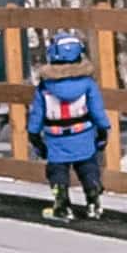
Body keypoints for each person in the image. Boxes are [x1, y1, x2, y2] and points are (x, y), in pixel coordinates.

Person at [28, 31, 110, 221]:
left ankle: (62, 204)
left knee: (57, 170)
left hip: (56, 136)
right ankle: (93, 198)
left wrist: (33, 134)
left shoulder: (45, 86)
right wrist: (103, 129)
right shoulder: (88, 84)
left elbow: (37, 113)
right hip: (83, 133)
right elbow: (97, 109)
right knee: (88, 165)